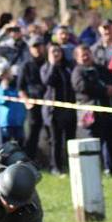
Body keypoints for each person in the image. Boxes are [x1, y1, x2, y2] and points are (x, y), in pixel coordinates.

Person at [72, 44, 112, 174]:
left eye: (88, 54)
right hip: (88, 113)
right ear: (77, 58)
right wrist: (103, 90)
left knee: (108, 140)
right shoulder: (77, 72)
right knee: (91, 140)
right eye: (83, 55)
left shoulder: (100, 69)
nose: (86, 57)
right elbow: (82, 87)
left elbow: (110, 80)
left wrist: (110, 88)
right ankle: (93, 169)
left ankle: (111, 168)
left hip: (104, 109)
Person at [40, 43, 75, 175]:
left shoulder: (68, 67)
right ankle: (56, 167)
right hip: (53, 110)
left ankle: (71, 165)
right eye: (53, 51)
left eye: (58, 51)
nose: (56, 54)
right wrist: (53, 65)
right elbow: (48, 81)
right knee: (56, 140)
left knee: (70, 139)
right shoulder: (45, 68)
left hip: (69, 108)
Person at [17, 36, 47, 162]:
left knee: (51, 135)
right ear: (30, 49)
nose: (38, 49)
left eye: (39, 46)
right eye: (35, 46)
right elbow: (20, 88)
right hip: (33, 105)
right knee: (32, 135)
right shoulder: (26, 65)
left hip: (49, 103)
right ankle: (29, 161)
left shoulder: (48, 62)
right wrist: (26, 101)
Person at [0, 61, 26, 145]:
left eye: (5, 73)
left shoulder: (19, 83)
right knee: (6, 145)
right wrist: (4, 88)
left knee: (20, 143)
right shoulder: (0, 88)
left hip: (19, 121)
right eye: (1, 75)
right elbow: (1, 100)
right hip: (6, 123)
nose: (4, 77)